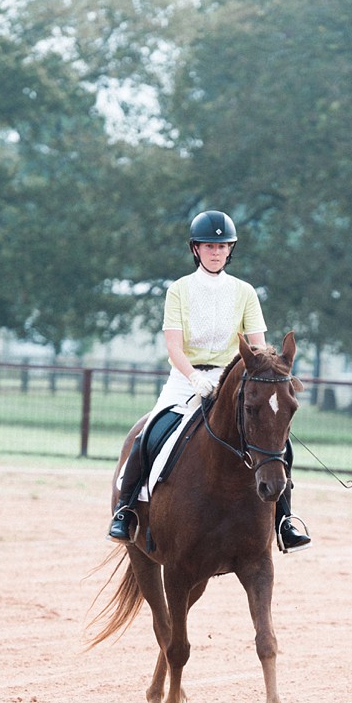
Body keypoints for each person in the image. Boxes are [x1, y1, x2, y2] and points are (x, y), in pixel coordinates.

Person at [108, 210, 312, 553]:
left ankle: (284, 520)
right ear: (196, 249)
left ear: (230, 250)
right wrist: (193, 377)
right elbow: (174, 346)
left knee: (277, 442)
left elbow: (259, 346)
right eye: (208, 246)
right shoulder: (179, 290)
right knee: (148, 433)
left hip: (233, 380)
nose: (216, 252)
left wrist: (266, 375)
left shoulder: (245, 292)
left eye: (222, 246)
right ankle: (126, 511)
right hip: (186, 379)